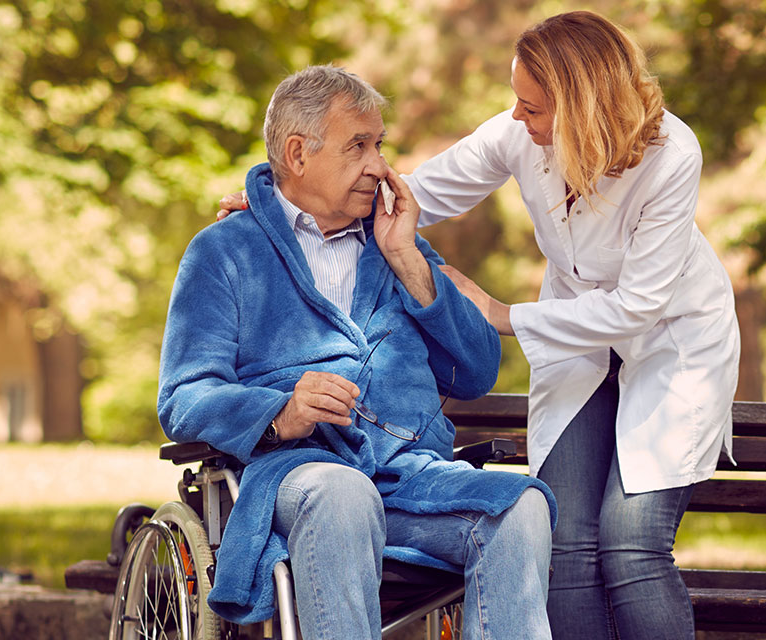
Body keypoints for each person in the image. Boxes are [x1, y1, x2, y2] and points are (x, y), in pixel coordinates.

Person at [218, 11, 739, 639]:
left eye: (534, 108)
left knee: (630, 547)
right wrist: (281, 195)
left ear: (581, 110)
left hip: (669, 337)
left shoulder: (671, 155)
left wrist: (501, 314)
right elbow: (415, 193)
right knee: (566, 545)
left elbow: (638, 305)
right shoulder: (518, 131)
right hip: (575, 336)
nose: (517, 117)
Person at [162, 65, 554, 640]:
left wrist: (412, 264)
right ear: (297, 153)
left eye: (379, 145)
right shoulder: (225, 252)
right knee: (343, 494)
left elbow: (475, 371)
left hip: (409, 479)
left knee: (519, 508)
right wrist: (278, 411)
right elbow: (184, 396)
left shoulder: (398, 242)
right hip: (298, 475)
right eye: (358, 146)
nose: (379, 165)